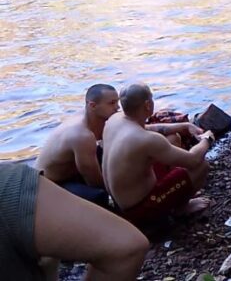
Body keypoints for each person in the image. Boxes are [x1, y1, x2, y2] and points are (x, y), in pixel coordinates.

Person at [0, 163, 149, 281]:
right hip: (52, 191)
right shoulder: (7, 185)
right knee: (98, 196)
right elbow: (127, 247)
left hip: (52, 189)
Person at [102, 83, 213, 226]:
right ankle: (181, 209)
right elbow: (193, 160)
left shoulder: (115, 120)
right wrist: (207, 139)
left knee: (173, 138)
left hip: (120, 201)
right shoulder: (145, 139)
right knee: (201, 166)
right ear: (148, 104)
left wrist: (184, 126)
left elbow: (148, 128)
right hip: (140, 209)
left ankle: (176, 193)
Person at [36, 84, 119, 207]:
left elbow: (116, 133)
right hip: (52, 183)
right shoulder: (82, 135)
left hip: (71, 170)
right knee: (99, 196)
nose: (117, 107)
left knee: (115, 153)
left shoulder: (92, 117)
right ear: (92, 105)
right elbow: (94, 182)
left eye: (117, 102)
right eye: (112, 103)